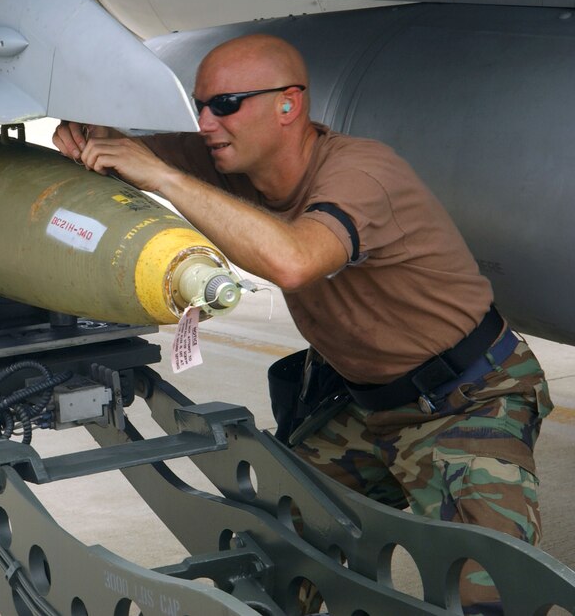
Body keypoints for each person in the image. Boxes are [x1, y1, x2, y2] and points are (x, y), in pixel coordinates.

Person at [52, 34, 551, 615]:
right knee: (273, 553)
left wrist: (165, 179)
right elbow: (125, 150)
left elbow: (294, 260)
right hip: (367, 410)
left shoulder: (363, 173)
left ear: (289, 105)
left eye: (225, 104)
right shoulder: (232, 157)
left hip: (467, 402)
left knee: (495, 593)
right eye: (199, 107)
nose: (207, 124)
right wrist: (83, 136)